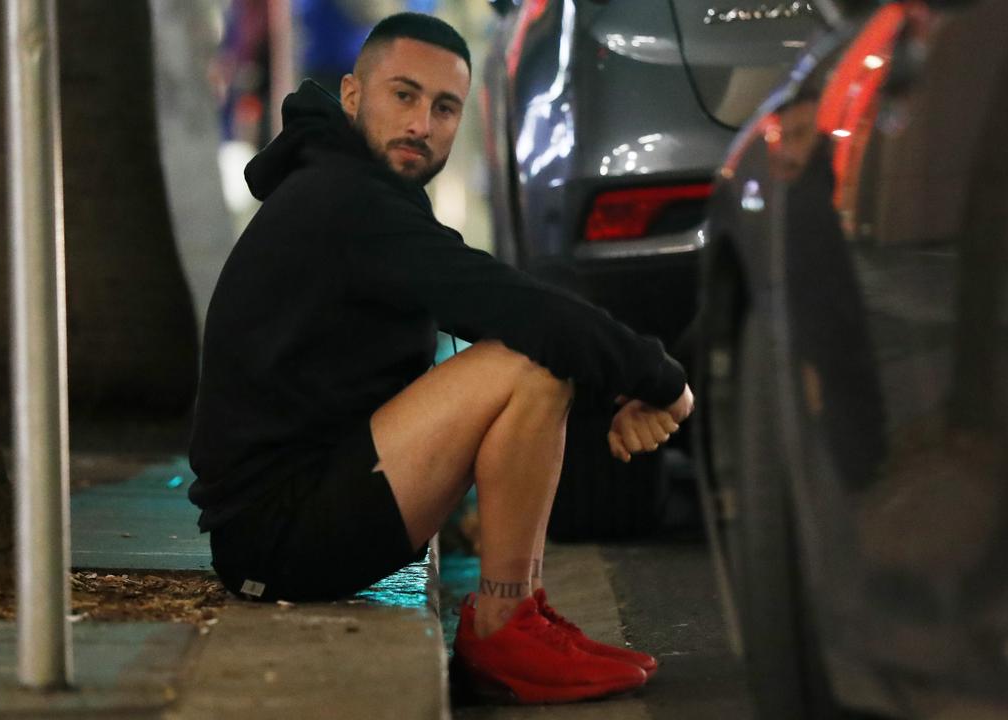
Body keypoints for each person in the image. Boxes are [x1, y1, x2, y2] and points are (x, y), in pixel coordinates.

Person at [188, 12, 695, 704]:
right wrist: (660, 380)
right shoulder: (345, 201)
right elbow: (511, 306)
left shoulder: (355, 190)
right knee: (527, 361)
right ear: (351, 95)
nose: (422, 123)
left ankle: (517, 614)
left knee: (533, 349)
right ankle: (504, 626)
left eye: (444, 107)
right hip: (278, 536)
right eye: (404, 95)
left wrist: (616, 383)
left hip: (309, 503)